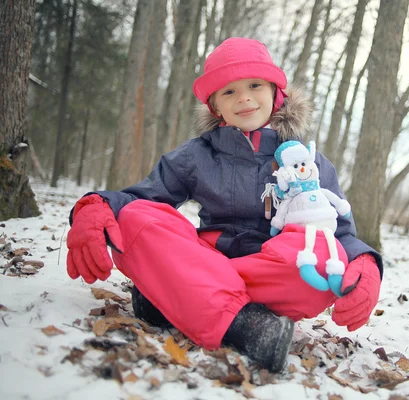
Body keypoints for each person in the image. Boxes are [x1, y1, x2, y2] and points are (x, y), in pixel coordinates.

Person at [66, 37, 383, 373]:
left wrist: (366, 261)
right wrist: (95, 205)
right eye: (228, 91)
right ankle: (244, 324)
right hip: (211, 254)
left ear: (277, 93)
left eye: (255, 85)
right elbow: (142, 197)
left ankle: (178, 294)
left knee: (320, 257)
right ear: (215, 106)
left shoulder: (309, 162)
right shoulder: (196, 155)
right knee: (132, 218)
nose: (244, 97)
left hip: (273, 269)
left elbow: (339, 231)